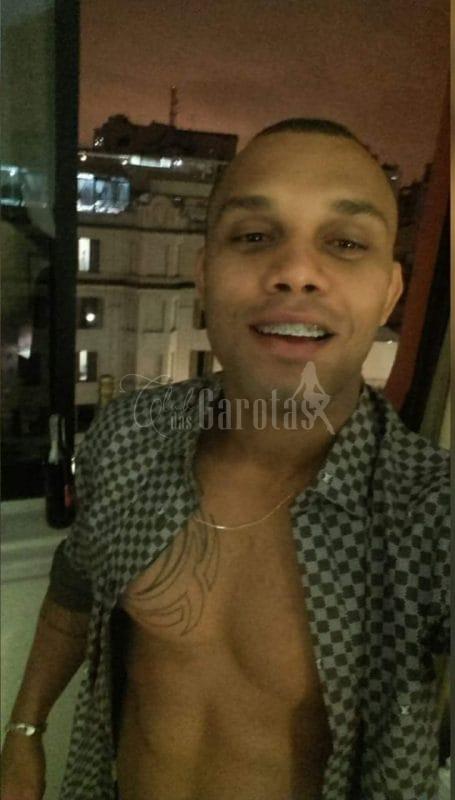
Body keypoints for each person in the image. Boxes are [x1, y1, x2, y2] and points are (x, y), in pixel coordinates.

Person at [1, 119, 449, 800]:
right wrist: (24, 730)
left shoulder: (427, 510)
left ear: (389, 293)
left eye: (345, 242)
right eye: (254, 236)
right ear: (205, 276)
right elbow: (75, 582)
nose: (296, 272)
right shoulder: (131, 437)